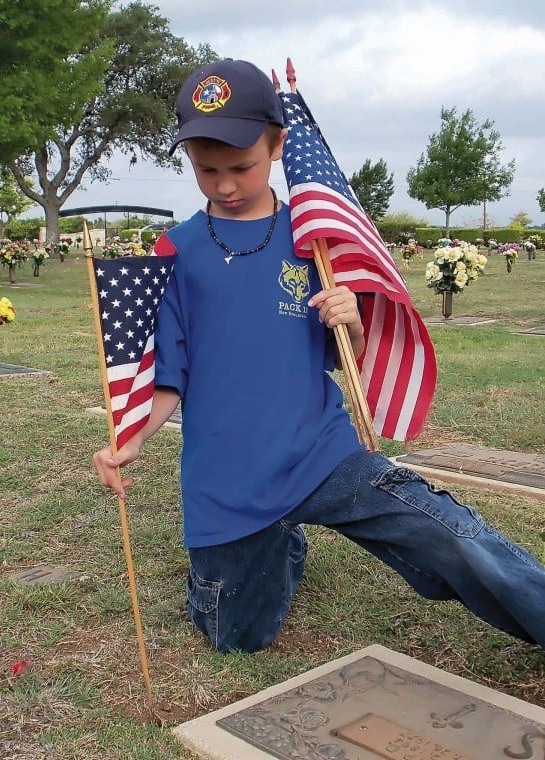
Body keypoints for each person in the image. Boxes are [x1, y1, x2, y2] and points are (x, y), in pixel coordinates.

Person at [93, 59, 545, 654]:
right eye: (206, 170)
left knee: (455, 537)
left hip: (322, 455)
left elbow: (345, 361)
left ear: (278, 145)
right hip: (230, 481)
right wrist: (130, 440)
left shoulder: (315, 240)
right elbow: (169, 379)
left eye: (241, 167)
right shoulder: (177, 249)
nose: (225, 184)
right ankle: (281, 539)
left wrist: (352, 322)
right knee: (235, 639)